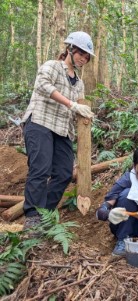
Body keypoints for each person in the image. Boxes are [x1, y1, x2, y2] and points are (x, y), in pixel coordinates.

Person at [22, 32, 95, 230]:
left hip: (62, 131)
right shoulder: (52, 66)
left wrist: (84, 114)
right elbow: (42, 85)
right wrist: (72, 105)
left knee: (63, 173)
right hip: (40, 122)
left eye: (87, 56)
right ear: (70, 49)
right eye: (81, 53)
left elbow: (76, 109)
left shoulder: (79, 83)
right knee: (40, 169)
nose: (83, 58)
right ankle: (32, 217)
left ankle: (44, 214)